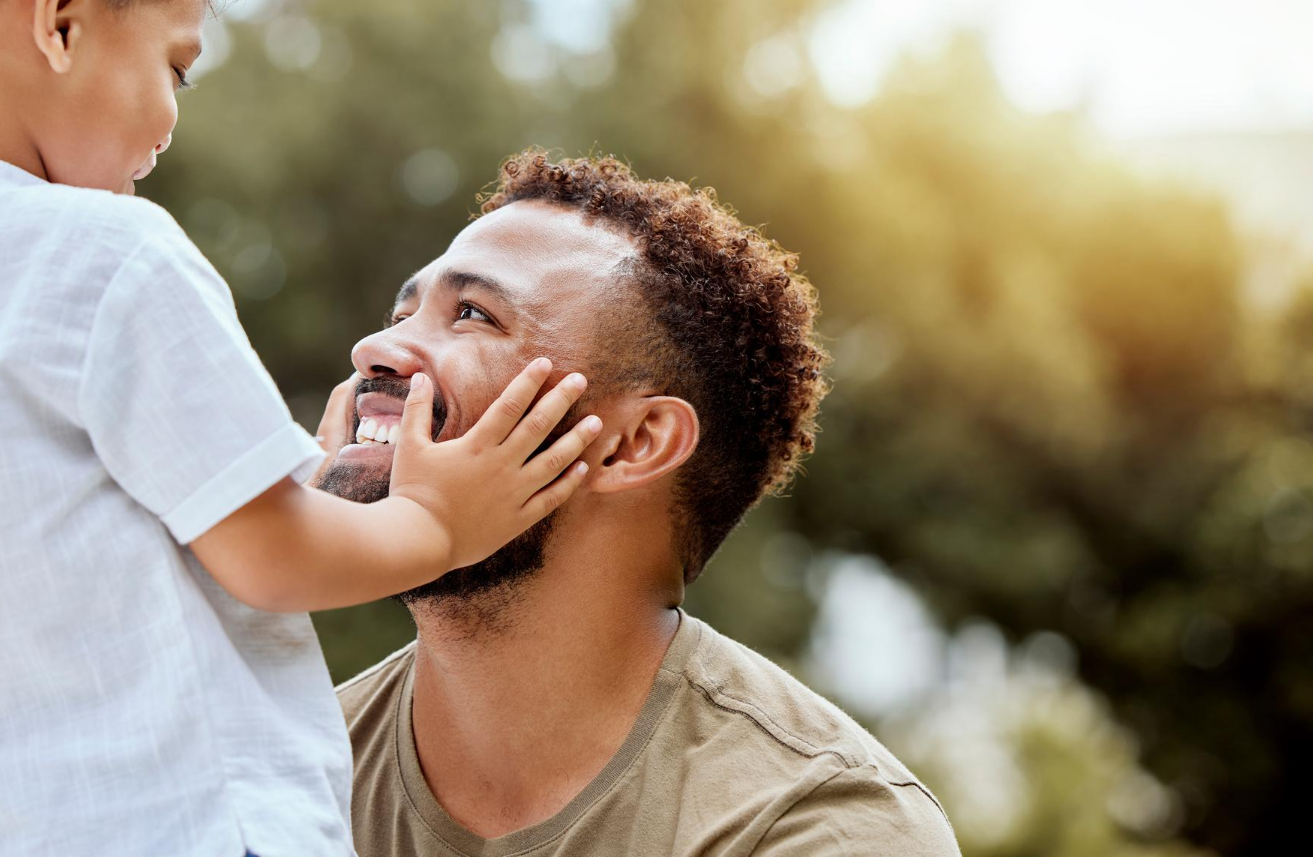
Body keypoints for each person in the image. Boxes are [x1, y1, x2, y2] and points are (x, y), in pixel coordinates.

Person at [0, 0, 599, 855]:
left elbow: (98, 546)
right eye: (173, 65)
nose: (171, 119)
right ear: (63, 14)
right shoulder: (108, 252)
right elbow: (274, 555)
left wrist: (298, 478)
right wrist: (438, 521)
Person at [330, 152, 963, 855]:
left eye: (473, 314)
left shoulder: (817, 826)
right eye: (403, 312)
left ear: (635, 443)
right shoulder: (283, 766)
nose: (374, 349)